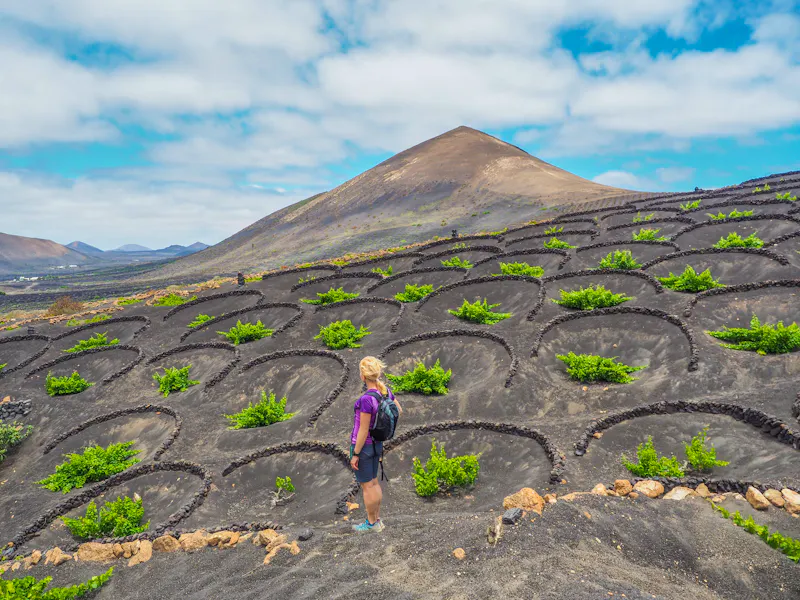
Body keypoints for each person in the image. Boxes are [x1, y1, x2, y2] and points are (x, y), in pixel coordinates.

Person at [350, 356, 402, 533]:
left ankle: (371, 523)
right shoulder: (384, 391)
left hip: (364, 447)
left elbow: (363, 430)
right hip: (377, 444)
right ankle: (377, 520)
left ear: (363, 376)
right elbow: (399, 410)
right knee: (374, 483)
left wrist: (355, 453)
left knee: (367, 486)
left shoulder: (366, 399)